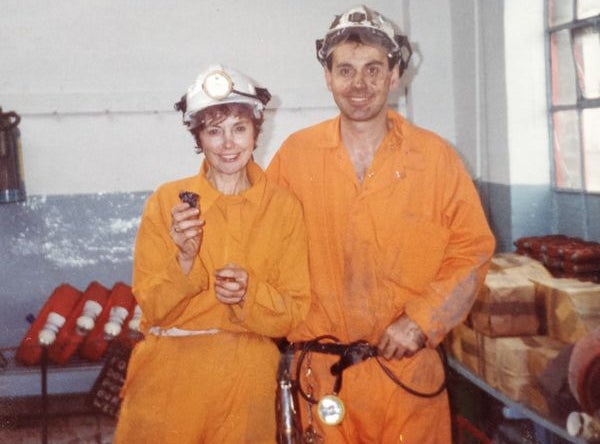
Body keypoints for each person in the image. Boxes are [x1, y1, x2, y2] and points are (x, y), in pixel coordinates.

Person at [266, 5, 496, 443]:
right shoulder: (295, 158)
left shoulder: (435, 160)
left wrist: (421, 320)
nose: (359, 85)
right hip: (323, 378)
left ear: (394, 76)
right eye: (345, 70)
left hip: (408, 375)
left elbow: (472, 251)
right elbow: (257, 237)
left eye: (374, 69)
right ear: (327, 77)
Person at [114, 64, 311, 444]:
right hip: (169, 376)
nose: (227, 144)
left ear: (256, 133)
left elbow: (294, 311)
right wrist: (184, 261)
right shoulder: (167, 202)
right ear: (198, 137)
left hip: (247, 376)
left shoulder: (283, 207)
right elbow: (152, 305)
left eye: (239, 128)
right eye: (213, 130)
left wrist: (248, 294)